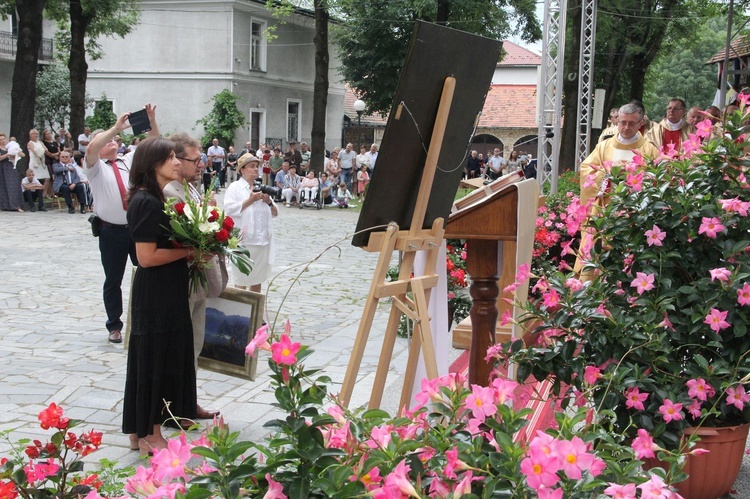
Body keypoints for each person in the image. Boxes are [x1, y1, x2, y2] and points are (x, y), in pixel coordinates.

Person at [122, 136, 197, 455]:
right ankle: (151, 433)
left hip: (168, 289)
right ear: (154, 164)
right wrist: (188, 252)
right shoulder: (146, 201)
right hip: (155, 293)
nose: (178, 162)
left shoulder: (157, 197)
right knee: (151, 361)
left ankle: (139, 430)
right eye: (171, 158)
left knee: (155, 360)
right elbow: (146, 257)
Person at [164, 132, 225, 421]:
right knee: (180, 346)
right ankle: (174, 406)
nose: (200, 164)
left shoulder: (192, 189)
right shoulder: (170, 192)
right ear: (176, 160)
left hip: (200, 278)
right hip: (183, 278)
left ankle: (189, 400)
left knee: (195, 343)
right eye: (195, 159)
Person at [85, 105, 160, 343]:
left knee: (147, 273)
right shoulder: (95, 168)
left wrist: (151, 121)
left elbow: (153, 144)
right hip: (111, 231)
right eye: (108, 140)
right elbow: (92, 148)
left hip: (136, 228)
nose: (113, 142)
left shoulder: (128, 160)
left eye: (115, 139)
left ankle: (146, 318)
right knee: (113, 279)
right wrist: (115, 128)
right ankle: (114, 325)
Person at [576, 102, 660, 276]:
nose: (626, 127)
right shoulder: (604, 147)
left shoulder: (649, 149)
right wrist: (608, 173)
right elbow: (586, 170)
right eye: (622, 122)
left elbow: (657, 177)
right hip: (605, 209)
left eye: (631, 123)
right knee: (597, 253)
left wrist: (634, 176)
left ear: (640, 123)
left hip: (633, 212)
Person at [223, 154, 277, 293]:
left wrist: (268, 202)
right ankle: (240, 312)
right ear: (242, 169)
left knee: (257, 279)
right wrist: (250, 200)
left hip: (262, 241)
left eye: (257, 166)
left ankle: (254, 312)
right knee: (241, 279)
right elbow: (229, 209)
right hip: (243, 242)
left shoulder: (261, 187)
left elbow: (275, 213)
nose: (255, 169)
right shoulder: (235, 188)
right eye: (252, 166)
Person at [0, 133, 24, 212]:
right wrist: (7, 154)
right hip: (2, 168)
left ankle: (16, 205)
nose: (3, 141)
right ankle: (3, 205)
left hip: (11, 168)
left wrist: (17, 153)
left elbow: (22, 154)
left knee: (14, 186)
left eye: (4, 139)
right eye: (1, 140)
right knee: (3, 187)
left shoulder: (10, 147)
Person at [27, 129, 50, 197]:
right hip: (34, 162)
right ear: (30, 135)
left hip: (41, 162)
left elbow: (46, 149)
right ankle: (35, 194)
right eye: (34, 134)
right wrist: (42, 150)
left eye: (36, 134)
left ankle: (44, 193)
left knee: (47, 178)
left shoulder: (40, 142)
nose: (35, 135)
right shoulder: (30, 143)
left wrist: (43, 150)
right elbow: (35, 151)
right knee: (34, 178)